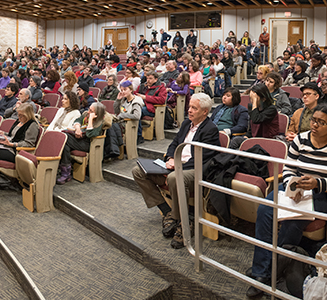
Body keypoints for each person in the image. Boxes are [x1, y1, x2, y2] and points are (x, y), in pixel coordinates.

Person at [246, 104, 327, 298]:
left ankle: (268, 272)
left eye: (321, 122)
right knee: (264, 210)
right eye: (313, 120)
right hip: (294, 188)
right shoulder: (301, 138)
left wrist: (316, 183)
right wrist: (292, 185)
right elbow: (288, 167)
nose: (315, 125)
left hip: (319, 193)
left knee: (293, 221)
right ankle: (263, 269)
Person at [131, 93, 220, 249]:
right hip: (175, 165)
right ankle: (167, 211)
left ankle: (182, 223)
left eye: (194, 108)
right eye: (189, 107)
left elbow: (201, 158)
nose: (189, 110)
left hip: (194, 169)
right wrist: (171, 158)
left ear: (205, 111)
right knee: (138, 171)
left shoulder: (210, 129)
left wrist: (176, 166)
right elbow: (174, 144)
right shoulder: (186, 124)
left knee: (174, 178)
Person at [56, 102, 110, 184]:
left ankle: (65, 172)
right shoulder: (85, 115)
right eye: (89, 109)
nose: (88, 112)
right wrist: (77, 128)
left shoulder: (99, 123)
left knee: (64, 137)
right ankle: (66, 173)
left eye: (91, 111)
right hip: (79, 140)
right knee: (65, 142)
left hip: (88, 144)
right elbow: (77, 121)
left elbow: (89, 134)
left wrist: (91, 120)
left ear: (97, 114)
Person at [0, 104, 39, 182]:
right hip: (8, 147)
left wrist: (12, 144)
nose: (18, 117)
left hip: (17, 152)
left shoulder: (32, 125)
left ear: (27, 115)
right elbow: (13, 135)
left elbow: (29, 144)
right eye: (18, 114)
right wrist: (2, 133)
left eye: (21, 115)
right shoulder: (19, 121)